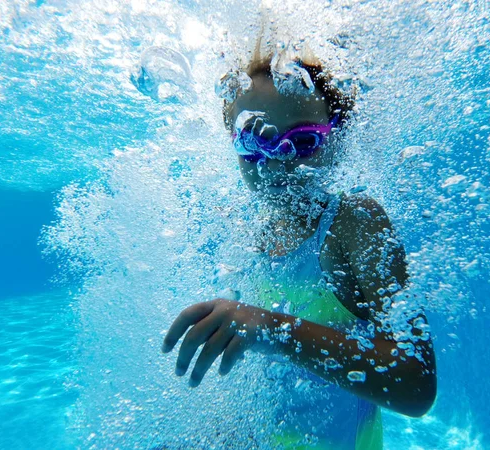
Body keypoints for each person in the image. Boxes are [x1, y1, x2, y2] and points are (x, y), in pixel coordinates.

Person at [162, 43, 436, 449]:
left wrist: (271, 329)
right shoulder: (245, 231)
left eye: (304, 142)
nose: (276, 163)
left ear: (337, 138)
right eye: (254, 142)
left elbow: (416, 389)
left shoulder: (354, 223)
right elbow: (266, 381)